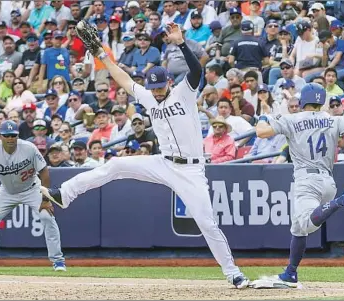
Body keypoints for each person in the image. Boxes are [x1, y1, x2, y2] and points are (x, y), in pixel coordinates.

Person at [41, 21, 250, 288]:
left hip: (191, 170)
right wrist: (102, 55)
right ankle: (65, 194)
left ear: (169, 82)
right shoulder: (149, 98)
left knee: (206, 223)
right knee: (115, 164)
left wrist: (181, 43)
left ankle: (232, 272)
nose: (157, 91)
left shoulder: (184, 93)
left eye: (161, 86)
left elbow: (197, 70)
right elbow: (124, 78)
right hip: (163, 162)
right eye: (154, 88)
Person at [251, 83, 344, 289]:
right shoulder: (333, 119)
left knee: (306, 224)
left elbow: (261, 132)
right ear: (321, 101)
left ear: (302, 102)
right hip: (327, 180)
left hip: (306, 180)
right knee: (298, 229)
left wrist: (264, 116)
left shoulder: (292, 119)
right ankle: (290, 273)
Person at [0, 120, 66, 272]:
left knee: (47, 216)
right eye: (7, 135)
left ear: (18, 136)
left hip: (32, 189)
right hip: (7, 191)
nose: (10, 139)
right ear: (0, 136)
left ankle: (58, 261)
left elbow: (44, 171)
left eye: (13, 135)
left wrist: (45, 200)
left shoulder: (28, 148)